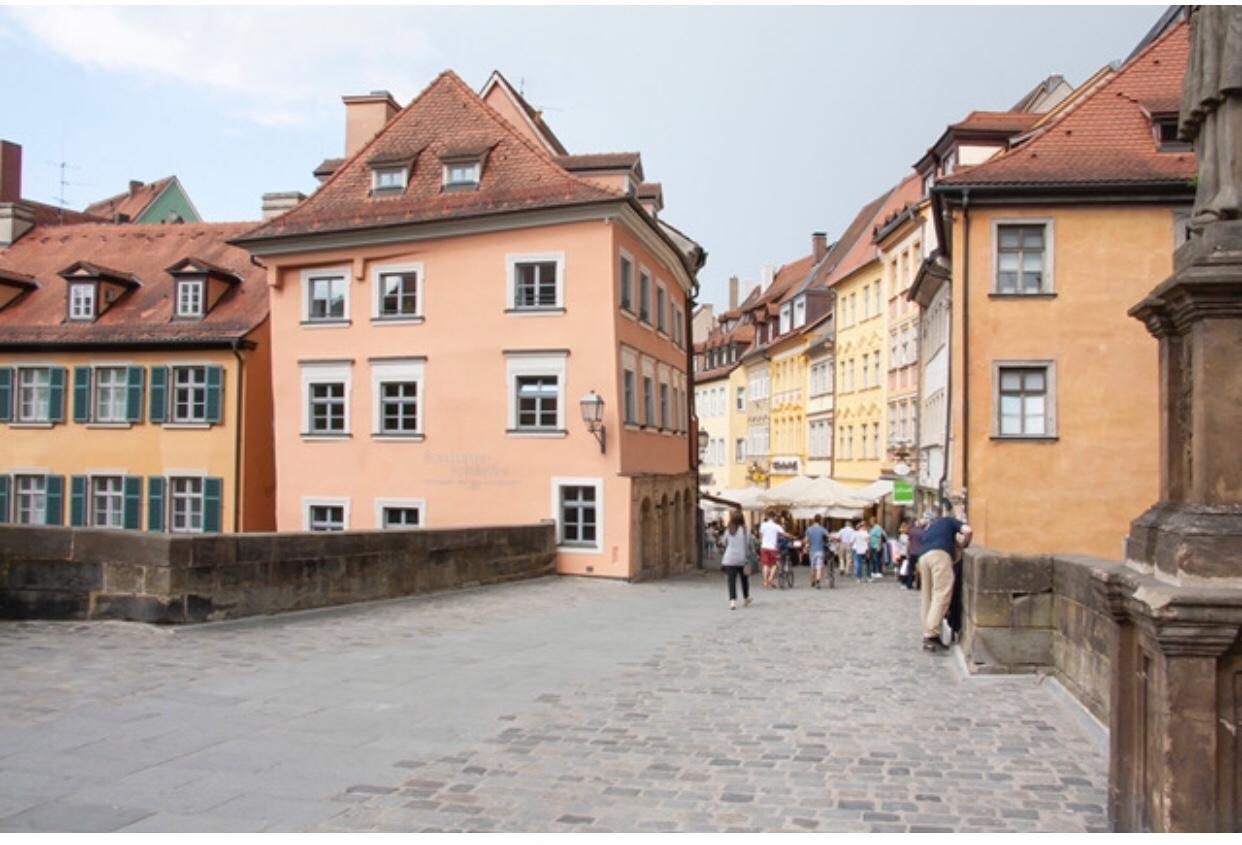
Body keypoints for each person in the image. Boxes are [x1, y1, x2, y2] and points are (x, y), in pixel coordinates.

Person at [917, 508, 972, 653]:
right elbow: (968, 530)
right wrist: (966, 542)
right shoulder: (950, 521)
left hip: (923, 556)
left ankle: (927, 631)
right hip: (939, 555)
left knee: (927, 597)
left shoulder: (933, 527)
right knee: (942, 593)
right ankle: (931, 635)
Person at [719, 511, 753, 610]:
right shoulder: (745, 530)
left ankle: (732, 602)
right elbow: (749, 544)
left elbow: (723, 542)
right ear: (742, 519)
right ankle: (746, 598)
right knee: (744, 579)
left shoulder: (728, 530)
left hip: (729, 559)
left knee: (731, 581)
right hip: (742, 559)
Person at [758, 511, 788, 589]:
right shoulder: (776, 526)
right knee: (774, 564)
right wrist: (793, 537)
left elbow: (761, 535)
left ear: (767, 517)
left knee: (765, 565)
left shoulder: (763, 525)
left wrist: (763, 541)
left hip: (764, 547)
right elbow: (784, 534)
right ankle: (770, 579)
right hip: (772, 548)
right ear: (774, 517)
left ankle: (765, 581)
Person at [804, 515, 831, 589]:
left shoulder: (809, 529)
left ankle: (813, 581)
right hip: (820, 550)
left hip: (812, 551)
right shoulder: (822, 529)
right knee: (819, 567)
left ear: (813, 520)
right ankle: (818, 581)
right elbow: (828, 536)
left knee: (813, 567)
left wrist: (807, 544)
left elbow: (806, 540)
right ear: (820, 520)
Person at [894, 520, 910, 588]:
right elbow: (907, 544)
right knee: (904, 568)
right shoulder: (904, 536)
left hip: (902, 553)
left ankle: (901, 579)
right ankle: (903, 581)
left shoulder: (901, 536)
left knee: (902, 567)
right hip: (904, 553)